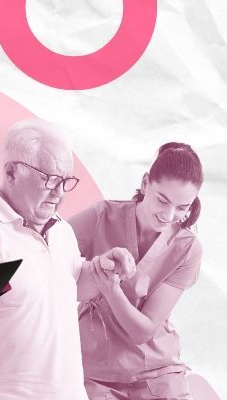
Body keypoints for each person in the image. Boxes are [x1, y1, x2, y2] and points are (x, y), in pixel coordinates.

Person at [0, 119, 134, 400]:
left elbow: (69, 288)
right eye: (50, 178)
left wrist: (100, 270)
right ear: (11, 172)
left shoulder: (61, 230)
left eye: (66, 181)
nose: (60, 192)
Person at [68, 142, 203, 400]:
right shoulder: (101, 217)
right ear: (145, 183)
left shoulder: (187, 248)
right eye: (163, 199)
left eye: (182, 207)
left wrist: (109, 288)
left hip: (158, 370)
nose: (168, 214)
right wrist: (90, 270)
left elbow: (143, 330)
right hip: (95, 370)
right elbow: (43, 255)